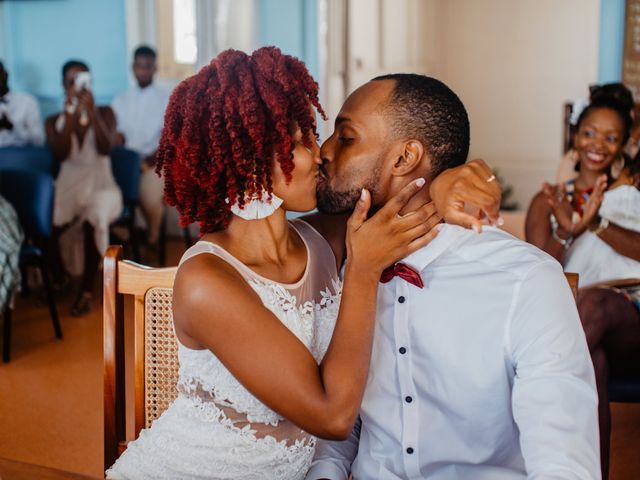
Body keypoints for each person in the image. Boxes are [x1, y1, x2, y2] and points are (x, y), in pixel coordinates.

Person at [106, 47, 500, 480]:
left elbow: (402, 197)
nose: (321, 153)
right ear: (252, 159)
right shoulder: (206, 280)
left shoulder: (321, 238)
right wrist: (364, 272)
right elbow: (332, 416)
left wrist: (446, 181)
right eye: (302, 141)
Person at [306, 74, 600, 480]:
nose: (324, 150)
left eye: (346, 136)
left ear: (405, 158)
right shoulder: (344, 265)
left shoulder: (526, 282)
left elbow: (562, 464)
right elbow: (339, 438)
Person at [526, 87, 640, 479]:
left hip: (630, 316)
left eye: (611, 138)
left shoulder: (634, 193)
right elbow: (537, 272)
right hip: (580, 325)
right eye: (591, 133)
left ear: (625, 144)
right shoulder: (548, 201)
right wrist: (567, 228)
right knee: (593, 362)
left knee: (593, 304)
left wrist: (594, 223)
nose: (598, 145)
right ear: (576, 135)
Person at [45, 60, 122, 316]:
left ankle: (87, 290)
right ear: (63, 86)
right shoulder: (54, 119)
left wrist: (93, 113)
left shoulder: (106, 112)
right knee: (47, 223)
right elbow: (60, 153)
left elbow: (105, 147)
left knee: (95, 215)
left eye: (82, 80)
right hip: (69, 184)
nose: (76, 86)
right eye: (71, 81)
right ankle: (61, 279)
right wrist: (69, 118)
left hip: (101, 184)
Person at [112, 46, 170, 259]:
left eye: (148, 66)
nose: (143, 71)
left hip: (153, 162)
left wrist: (151, 159)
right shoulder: (121, 100)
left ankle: (152, 238)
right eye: (139, 66)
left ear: (154, 68)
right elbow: (115, 136)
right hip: (126, 163)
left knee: (149, 196)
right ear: (133, 68)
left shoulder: (166, 98)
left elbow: (169, 137)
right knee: (112, 195)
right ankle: (129, 236)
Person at [0, 61, 45, 148]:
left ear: (6, 74)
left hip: (21, 156)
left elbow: (39, 140)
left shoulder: (28, 102)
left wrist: (13, 127)